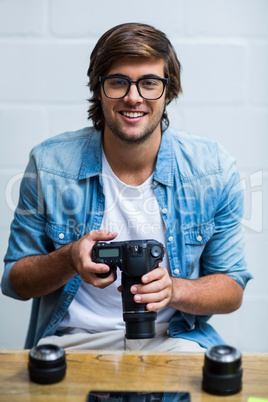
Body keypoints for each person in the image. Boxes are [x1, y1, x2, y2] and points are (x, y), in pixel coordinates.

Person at [1, 23, 252, 351]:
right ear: (98, 88)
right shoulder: (49, 165)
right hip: (74, 342)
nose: (133, 97)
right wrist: (68, 259)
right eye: (118, 82)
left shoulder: (213, 170)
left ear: (168, 90)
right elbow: (14, 281)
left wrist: (174, 290)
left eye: (149, 83)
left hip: (173, 340)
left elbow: (231, 288)